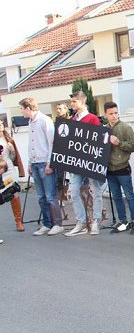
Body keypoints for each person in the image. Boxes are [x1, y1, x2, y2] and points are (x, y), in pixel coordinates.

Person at [19, 97, 63, 236]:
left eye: (22, 108)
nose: (21, 112)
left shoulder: (45, 120)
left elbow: (52, 142)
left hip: (45, 162)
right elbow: (31, 144)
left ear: (28, 108)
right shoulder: (31, 122)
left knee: (50, 196)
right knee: (41, 196)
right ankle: (47, 223)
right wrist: (29, 163)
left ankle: (57, 223)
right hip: (35, 162)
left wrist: (50, 163)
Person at [63, 91, 105, 237]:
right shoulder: (73, 119)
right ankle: (81, 221)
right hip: (76, 162)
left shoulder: (92, 118)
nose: (71, 104)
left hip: (90, 161)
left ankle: (95, 220)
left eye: (74, 101)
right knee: (73, 191)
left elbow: (99, 139)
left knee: (96, 191)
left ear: (82, 102)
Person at [104, 102, 134, 234]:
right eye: (111, 114)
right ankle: (123, 221)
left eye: (115, 113)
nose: (114, 116)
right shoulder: (104, 129)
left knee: (130, 196)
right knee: (117, 196)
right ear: (105, 115)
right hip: (110, 169)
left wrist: (119, 143)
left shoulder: (125, 128)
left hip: (123, 167)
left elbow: (132, 146)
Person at [0, 120, 26, 231]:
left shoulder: (8, 139)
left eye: (1, 123)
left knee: (13, 194)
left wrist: (12, 151)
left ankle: (19, 221)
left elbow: (13, 158)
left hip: (9, 170)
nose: (0, 125)